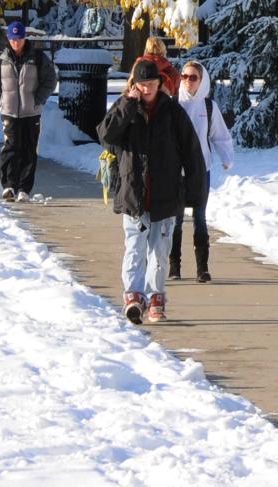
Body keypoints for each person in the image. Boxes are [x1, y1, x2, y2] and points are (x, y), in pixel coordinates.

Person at [97, 59, 206, 325]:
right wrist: (127, 103)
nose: (147, 90)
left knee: (158, 251)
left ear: (160, 84)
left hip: (166, 195)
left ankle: (156, 296)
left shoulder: (172, 113)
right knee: (134, 248)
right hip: (133, 193)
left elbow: (192, 153)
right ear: (134, 85)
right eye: (141, 85)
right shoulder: (126, 108)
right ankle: (133, 297)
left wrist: (194, 192)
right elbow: (106, 135)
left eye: (151, 84)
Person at [169, 58, 234, 282]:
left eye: (193, 77)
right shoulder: (172, 103)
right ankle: (174, 266)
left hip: (200, 169)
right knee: (175, 219)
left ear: (202, 80)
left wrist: (227, 157)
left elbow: (220, 135)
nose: (188, 81)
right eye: (184, 77)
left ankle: (202, 269)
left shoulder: (208, 106)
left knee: (199, 217)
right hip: (176, 171)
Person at [0, 21, 57, 202]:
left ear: (24, 38)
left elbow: (50, 79)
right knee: (10, 148)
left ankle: (24, 188)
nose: (16, 42)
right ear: (8, 39)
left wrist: (38, 99)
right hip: (9, 111)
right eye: (12, 39)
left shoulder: (38, 57)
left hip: (31, 112)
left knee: (29, 150)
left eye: (19, 38)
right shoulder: (0, 58)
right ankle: (9, 185)